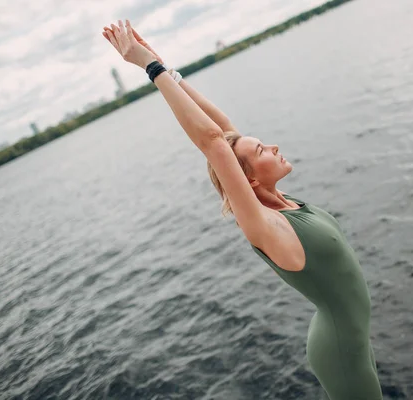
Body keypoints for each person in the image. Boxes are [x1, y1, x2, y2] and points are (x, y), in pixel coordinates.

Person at [102, 20, 383, 400]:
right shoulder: (266, 225)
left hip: (352, 338)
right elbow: (215, 142)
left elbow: (225, 130)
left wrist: (166, 66)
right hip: (340, 351)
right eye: (262, 151)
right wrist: (150, 71)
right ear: (247, 180)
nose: (273, 147)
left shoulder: (280, 201)